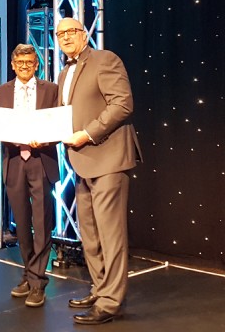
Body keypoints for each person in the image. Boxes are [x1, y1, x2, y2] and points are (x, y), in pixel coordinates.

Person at [55, 17, 142, 325]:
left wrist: (87, 134)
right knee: (90, 236)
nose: (65, 37)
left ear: (83, 34)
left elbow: (122, 105)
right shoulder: (64, 71)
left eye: (70, 31)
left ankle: (111, 302)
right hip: (81, 163)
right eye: (60, 33)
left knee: (110, 235)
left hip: (108, 159)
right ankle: (100, 287)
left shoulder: (105, 60)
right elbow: (57, 116)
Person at [0, 43, 59, 307]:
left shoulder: (51, 90)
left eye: (30, 63)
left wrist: (45, 139)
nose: (25, 67)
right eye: (20, 63)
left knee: (42, 222)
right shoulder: (1, 91)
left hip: (40, 160)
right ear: (13, 65)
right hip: (14, 161)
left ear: (36, 65)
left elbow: (59, 125)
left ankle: (38, 282)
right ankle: (29, 272)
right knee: (21, 224)